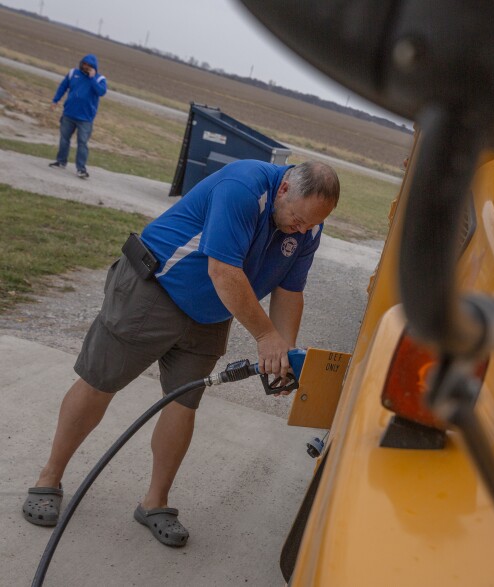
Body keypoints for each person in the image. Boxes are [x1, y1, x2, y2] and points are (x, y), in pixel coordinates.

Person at [21, 159, 340, 547]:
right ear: (285, 189)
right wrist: (265, 337)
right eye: (298, 219)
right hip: (153, 290)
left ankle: (155, 502)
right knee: (99, 383)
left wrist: (284, 354)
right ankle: (49, 478)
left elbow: (290, 291)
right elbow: (223, 271)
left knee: (182, 404)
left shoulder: (308, 226)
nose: (303, 229)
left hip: (209, 314)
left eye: (311, 224)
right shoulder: (243, 187)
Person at [49, 54, 108, 179]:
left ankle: (81, 169)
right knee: (64, 139)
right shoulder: (73, 73)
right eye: (84, 64)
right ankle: (61, 162)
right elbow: (63, 87)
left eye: (89, 65)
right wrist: (55, 100)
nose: (85, 66)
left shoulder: (99, 79)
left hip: (85, 119)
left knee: (82, 143)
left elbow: (101, 92)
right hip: (69, 114)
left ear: (94, 67)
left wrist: (92, 78)